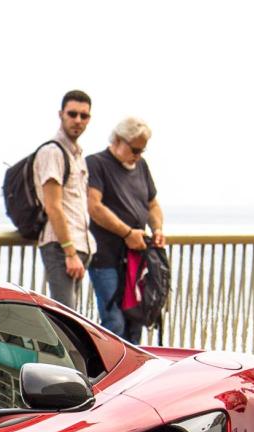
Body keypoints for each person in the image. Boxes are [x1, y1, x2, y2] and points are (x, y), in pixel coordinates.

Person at [86, 117, 166, 342]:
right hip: (106, 257)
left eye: (142, 150)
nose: (138, 155)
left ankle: (134, 375)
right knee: (114, 322)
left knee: (135, 320)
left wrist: (157, 228)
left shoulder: (141, 166)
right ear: (119, 140)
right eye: (135, 149)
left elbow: (152, 204)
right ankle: (111, 373)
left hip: (136, 259)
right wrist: (126, 233)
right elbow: (94, 206)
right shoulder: (96, 163)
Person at [34, 90, 96, 309]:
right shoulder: (53, 152)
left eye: (84, 116)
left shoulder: (77, 154)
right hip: (60, 246)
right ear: (61, 114)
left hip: (77, 245)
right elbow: (53, 205)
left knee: (69, 318)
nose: (78, 120)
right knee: (64, 318)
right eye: (72, 114)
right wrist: (69, 252)